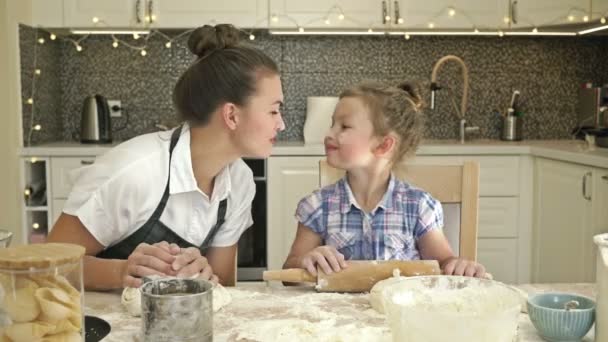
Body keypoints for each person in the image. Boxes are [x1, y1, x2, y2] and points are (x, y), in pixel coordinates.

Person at [48, 24, 285, 290]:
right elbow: (50, 265)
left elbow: (224, 285)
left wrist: (206, 275)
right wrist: (121, 271)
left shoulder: (240, 182)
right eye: (274, 111)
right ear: (231, 115)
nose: (281, 124)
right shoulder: (134, 173)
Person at [283, 81, 486, 278]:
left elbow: (444, 264)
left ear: (383, 145)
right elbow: (288, 274)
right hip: (338, 313)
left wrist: (458, 265)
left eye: (344, 126)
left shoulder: (418, 207)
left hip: (400, 312)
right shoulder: (318, 206)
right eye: (332, 124)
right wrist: (305, 262)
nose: (329, 134)